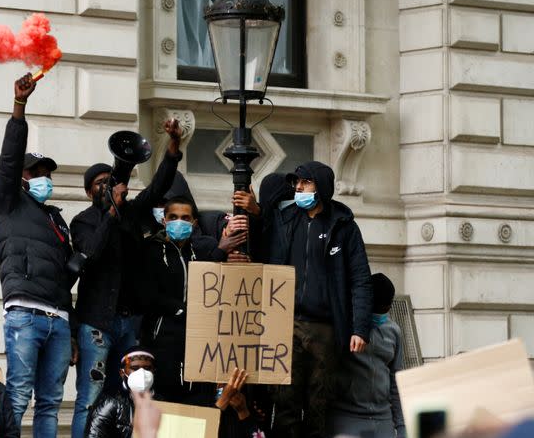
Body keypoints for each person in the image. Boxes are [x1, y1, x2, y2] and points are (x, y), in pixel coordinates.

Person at [69, 119, 183, 437]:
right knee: (90, 399)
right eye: (100, 183)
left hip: (129, 323)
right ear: (89, 190)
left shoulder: (133, 212)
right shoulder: (83, 221)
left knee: (133, 395)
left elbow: (159, 186)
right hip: (96, 324)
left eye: (111, 180)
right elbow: (90, 252)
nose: (106, 186)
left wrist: (173, 147)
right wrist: (111, 214)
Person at [0, 72, 75, 437]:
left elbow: (64, 275)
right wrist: (20, 107)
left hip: (58, 319)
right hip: (24, 315)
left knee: (51, 404)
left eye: (47, 173)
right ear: (22, 178)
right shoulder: (8, 203)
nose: (44, 178)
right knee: (19, 397)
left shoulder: (56, 220)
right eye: (37, 172)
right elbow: (9, 159)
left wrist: (70, 330)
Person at [265, 161, 373, 438]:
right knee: (284, 401)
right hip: (287, 326)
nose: (298, 188)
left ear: (321, 187)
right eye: (296, 183)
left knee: (319, 404)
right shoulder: (286, 220)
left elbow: (360, 279)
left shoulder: (344, 227)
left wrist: (359, 328)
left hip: (326, 329)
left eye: (306, 183)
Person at [139, 196, 239, 404]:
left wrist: (224, 252)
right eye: (173, 217)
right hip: (162, 338)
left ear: (194, 223)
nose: (179, 222)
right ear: (164, 220)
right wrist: (183, 310)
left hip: (198, 341)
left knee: (197, 397)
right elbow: (148, 295)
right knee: (166, 397)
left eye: (185, 218)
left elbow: (210, 283)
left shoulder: (201, 250)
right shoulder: (151, 250)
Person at [328, 273, 406, 438]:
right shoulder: (344, 326)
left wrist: (401, 425)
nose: (381, 313)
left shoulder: (394, 331)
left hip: (383, 420)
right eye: (377, 308)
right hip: (347, 417)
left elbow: (396, 381)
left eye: (386, 308)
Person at [84, 346, 156, 438]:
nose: (142, 373)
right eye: (135, 368)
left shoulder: (160, 400)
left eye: (147, 368)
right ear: (122, 373)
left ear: (153, 371)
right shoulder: (110, 401)